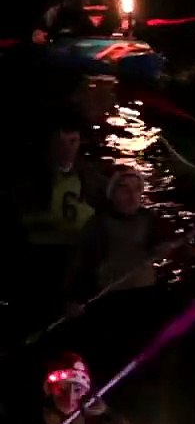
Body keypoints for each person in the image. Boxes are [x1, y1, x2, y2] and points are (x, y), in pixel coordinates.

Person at [64, 165, 175, 311]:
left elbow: (160, 244)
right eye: (124, 189)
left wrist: (164, 248)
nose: (132, 196)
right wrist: (75, 299)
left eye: (137, 189)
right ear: (112, 194)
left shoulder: (149, 219)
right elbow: (84, 265)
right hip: (111, 298)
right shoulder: (98, 224)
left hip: (146, 293)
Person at [19, 114, 106, 246]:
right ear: (51, 143)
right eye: (61, 142)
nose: (67, 148)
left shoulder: (91, 177)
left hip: (79, 249)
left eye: (73, 141)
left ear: (79, 142)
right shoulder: (31, 179)